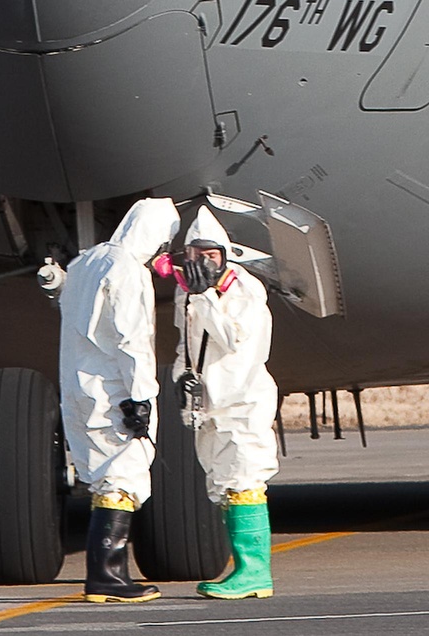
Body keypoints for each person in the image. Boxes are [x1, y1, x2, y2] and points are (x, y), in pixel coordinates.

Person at [59, 197, 181, 604]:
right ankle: (107, 577)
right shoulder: (127, 271)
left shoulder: (86, 262)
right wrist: (141, 397)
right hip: (113, 389)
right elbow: (133, 341)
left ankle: (106, 574)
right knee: (123, 475)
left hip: (78, 386)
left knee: (102, 475)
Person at [170, 205, 279, 600]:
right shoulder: (188, 291)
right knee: (221, 483)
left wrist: (207, 298)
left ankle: (255, 573)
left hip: (241, 401)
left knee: (243, 478)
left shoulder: (243, 289)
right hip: (209, 402)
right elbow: (188, 343)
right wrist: (182, 379)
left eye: (211, 255)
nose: (204, 262)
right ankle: (243, 569)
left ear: (225, 254)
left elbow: (232, 339)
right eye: (196, 255)